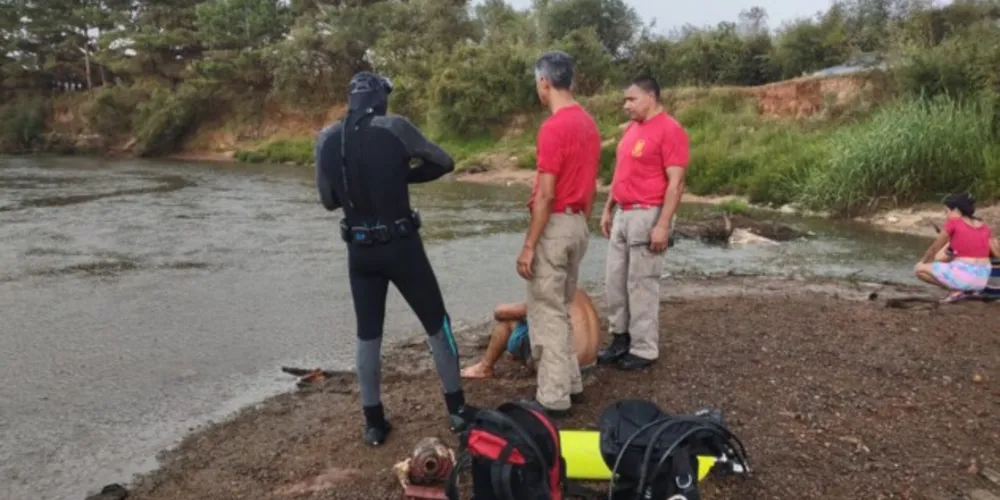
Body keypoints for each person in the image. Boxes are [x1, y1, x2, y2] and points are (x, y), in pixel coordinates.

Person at [314, 72, 473, 446]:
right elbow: (443, 162)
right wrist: (403, 176)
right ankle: (458, 412)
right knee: (437, 323)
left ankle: (373, 423)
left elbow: (328, 200)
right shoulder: (395, 127)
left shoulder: (326, 138)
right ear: (380, 98)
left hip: (359, 253)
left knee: (368, 334)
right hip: (401, 246)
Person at [516, 50, 601, 418]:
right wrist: (581, 222)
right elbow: (593, 186)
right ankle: (571, 382)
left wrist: (529, 245)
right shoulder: (588, 123)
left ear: (545, 83)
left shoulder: (554, 127)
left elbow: (547, 194)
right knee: (562, 306)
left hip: (556, 224)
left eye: (538, 83)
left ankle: (552, 397)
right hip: (579, 222)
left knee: (545, 311)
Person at [596, 74, 690, 371]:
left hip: (648, 213)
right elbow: (620, 172)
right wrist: (608, 207)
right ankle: (620, 337)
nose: (626, 105)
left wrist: (663, 224)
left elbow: (676, 183)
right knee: (615, 281)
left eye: (632, 99)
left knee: (642, 284)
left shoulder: (670, 130)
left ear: (651, 97)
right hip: (624, 211)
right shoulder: (632, 130)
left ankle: (644, 347)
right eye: (625, 99)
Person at [460, 289, 601, 379]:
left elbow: (500, 313)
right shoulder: (580, 292)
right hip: (590, 365)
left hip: (567, 370)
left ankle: (484, 367)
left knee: (507, 324)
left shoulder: (550, 290)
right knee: (535, 320)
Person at [914, 193, 994, 302]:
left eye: (947, 211)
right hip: (982, 279)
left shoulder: (954, 223)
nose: (946, 215)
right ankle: (968, 290)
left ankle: (957, 291)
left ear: (956, 210)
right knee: (950, 264)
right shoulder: (984, 225)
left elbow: (934, 248)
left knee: (919, 270)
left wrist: (924, 262)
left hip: (965, 274)